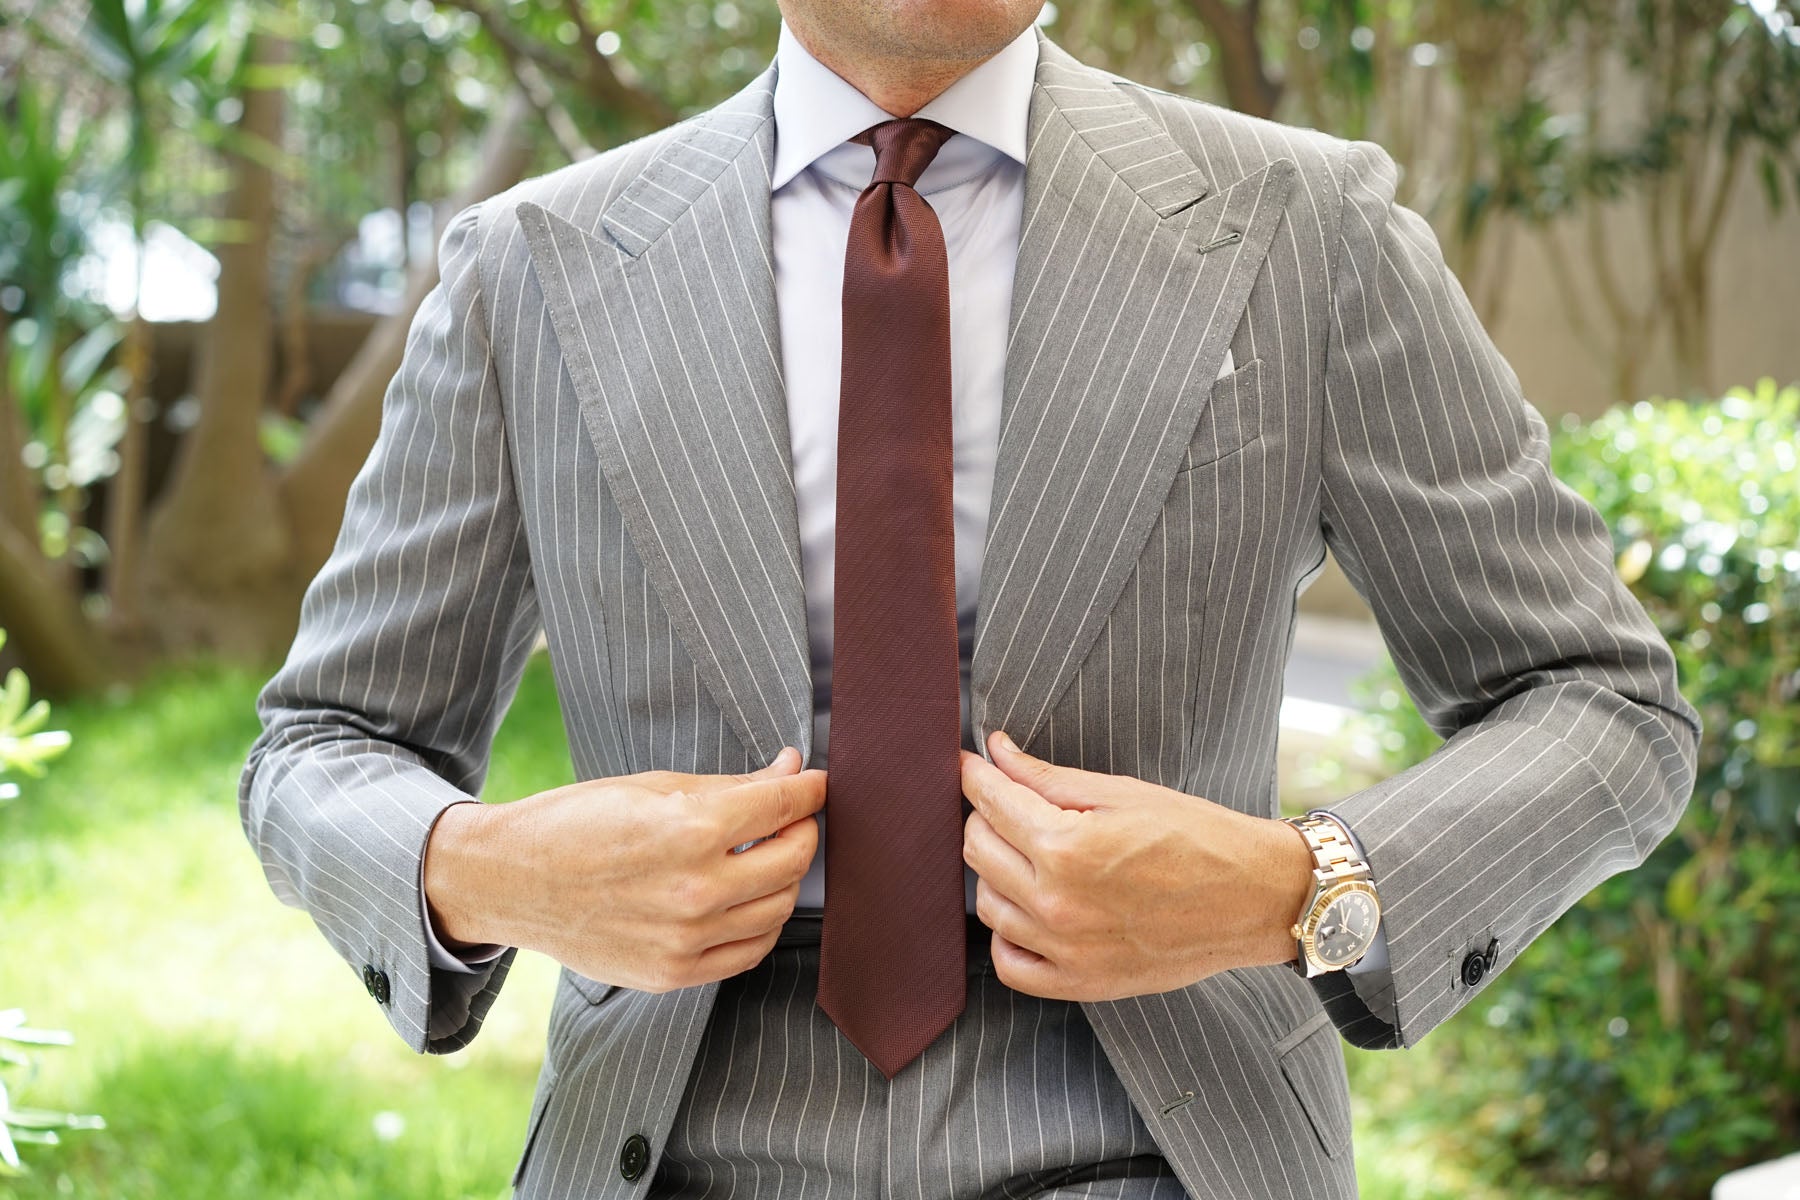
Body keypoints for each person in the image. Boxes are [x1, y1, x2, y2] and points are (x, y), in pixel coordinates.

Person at [237, 2, 1701, 1197]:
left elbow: (1601, 703)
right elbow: (321, 746)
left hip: (1164, 1145)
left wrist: (1295, 888)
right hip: (670, 1141)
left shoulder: (1311, 231)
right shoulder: (528, 272)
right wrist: (484, 868)